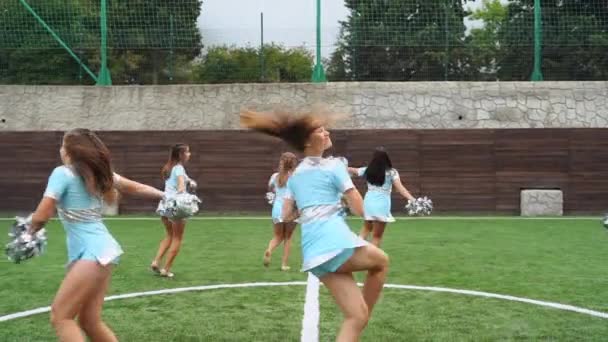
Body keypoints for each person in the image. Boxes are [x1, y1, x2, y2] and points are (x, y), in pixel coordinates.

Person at [241, 110, 389, 342]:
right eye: (321, 130)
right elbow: (361, 209)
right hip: (333, 242)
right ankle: (367, 315)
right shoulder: (334, 166)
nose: (327, 131)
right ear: (308, 141)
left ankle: (363, 318)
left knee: (355, 317)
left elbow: (286, 214)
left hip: (313, 252)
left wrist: (313, 207)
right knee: (381, 261)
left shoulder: (295, 175)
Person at [28, 128, 165, 342]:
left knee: (61, 317)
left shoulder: (61, 173)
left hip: (92, 254)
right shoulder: (98, 174)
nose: (61, 149)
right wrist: (167, 195)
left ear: (70, 151)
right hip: (104, 252)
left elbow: (43, 214)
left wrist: (28, 232)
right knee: (89, 321)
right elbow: (136, 187)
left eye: (63, 145)